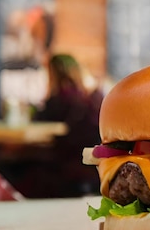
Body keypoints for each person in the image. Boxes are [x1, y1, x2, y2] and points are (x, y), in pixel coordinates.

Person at [29, 54, 103, 197]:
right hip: (92, 169)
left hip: (64, 168)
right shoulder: (88, 98)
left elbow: (38, 123)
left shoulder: (60, 99)